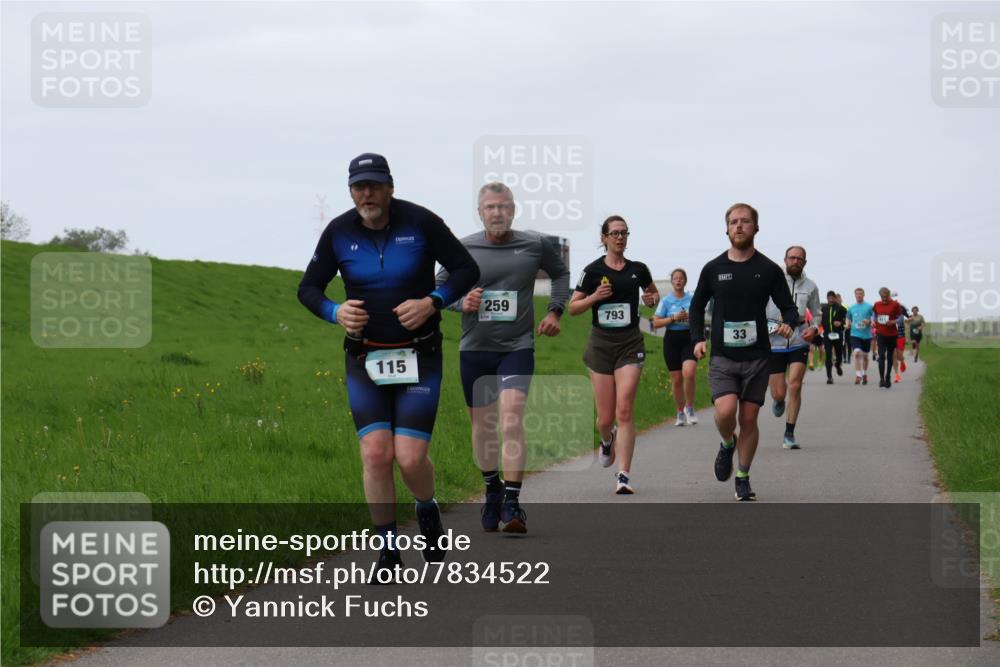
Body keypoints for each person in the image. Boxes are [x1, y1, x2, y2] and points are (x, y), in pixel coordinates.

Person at [298, 153, 479, 575]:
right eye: (359, 186)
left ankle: (426, 508)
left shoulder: (421, 222)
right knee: (376, 454)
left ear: (390, 186)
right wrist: (334, 312)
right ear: (350, 190)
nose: (367, 194)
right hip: (365, 358)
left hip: (420, 354)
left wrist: (432, 302)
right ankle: (388, 552)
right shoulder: (338, 232)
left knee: (411, 458)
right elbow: (308, 288)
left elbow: (466, 269)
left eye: (374, 185)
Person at [435, 182, 569, 534]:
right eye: (490, 207)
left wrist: (555, 311)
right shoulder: (463, 248)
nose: (497, 212)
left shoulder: (534, 244)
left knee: (510, 421)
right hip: (474, 351)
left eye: (504, 206)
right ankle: (491, 486)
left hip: (517, 347)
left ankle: (512, 501)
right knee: (482, 427)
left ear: (514, 210)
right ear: (479, 212)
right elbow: (437, 290)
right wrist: (460, 303)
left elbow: (561, 274)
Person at [689, 203, 797, 501]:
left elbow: (789, 308)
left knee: (749, 418)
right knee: (725, 413)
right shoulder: (713, 269)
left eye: (745, 221)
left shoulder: (769, 270)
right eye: (733, 222)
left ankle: (743, 476)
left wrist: (789, 323)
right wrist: (697, 338)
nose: (739, 226)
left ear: (755, 228)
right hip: (723, 356)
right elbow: (696, 306)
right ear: (726, 229)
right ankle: (727, 443)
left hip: (757, 357)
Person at [569, 215, 658, 495]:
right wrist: (595, 297)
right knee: (605, 418)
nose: (620, 237)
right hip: (601, 345)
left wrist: (651, 300)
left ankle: (624, 475)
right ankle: (607, 440)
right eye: (615, 233)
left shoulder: (639, 269)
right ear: (604, 237)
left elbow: (652, 295)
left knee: (624, 409)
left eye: (624, 233)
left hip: (630, 343)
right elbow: (573, 308)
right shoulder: (592, 271)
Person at [766, 246, 821, 449]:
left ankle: (789, 433)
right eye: (792, 258)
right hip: (774, 340)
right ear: (785, 259)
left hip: (798, 338)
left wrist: (814, 328)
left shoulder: (811, 286)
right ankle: (778, 400)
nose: (795, 261)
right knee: (779, 393)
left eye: (799, 258)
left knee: (795, 384)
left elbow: (816, 313)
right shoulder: (772, 282)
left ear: (804, 262)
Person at [651, 268, 698, 426]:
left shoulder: (692, 299)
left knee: (689, 373)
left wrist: (690, 317)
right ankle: (680, 412)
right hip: (671, 340)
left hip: (689, 338)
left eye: (681, 278)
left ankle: (689, 407)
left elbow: (699, 319)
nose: (678, 280)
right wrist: (673, 318)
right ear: (672, 282)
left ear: (685, 281)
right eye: (675, 278)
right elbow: (655, 323)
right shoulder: (666, 301)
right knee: (677, 379)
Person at [872, 287, 907, 388]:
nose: (884, 299)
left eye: (886, 297)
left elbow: (901, 317)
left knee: (890, 356)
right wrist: (874, 321)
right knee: (881, 356)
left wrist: (893, 322)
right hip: (880, 333)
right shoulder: (877, 304)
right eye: (882, 297)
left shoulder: (895, 305)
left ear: (889, 295)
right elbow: (874, 314)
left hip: (892, 334)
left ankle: (888, 377)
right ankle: (882, 379)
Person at [846, 288, 874, 385]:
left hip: (866, 335)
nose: (859, 295)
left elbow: (874, 318)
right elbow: (848, 317)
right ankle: (858, 375)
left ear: (864, 295)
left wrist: (869, 321)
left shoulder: (869, 307)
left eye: (860, 294)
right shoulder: (851, 307)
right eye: (857, 294)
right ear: (855, 295)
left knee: (865, 356)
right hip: (855, 334)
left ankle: (864, 374)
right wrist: (847, 324)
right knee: (857, 353)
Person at [820, 290, 848, 384]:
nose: (831, 300)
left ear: (835, 298)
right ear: (827, 299)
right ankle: (829, 377)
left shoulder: (841, 309)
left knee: (839, 354)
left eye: (832, 298)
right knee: (828, 354)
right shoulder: (824, 309)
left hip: (838, 334)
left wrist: (841, 323)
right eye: (829, 298)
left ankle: (837, 365)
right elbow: (819, 320)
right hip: (827, 334)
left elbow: (847, 321)